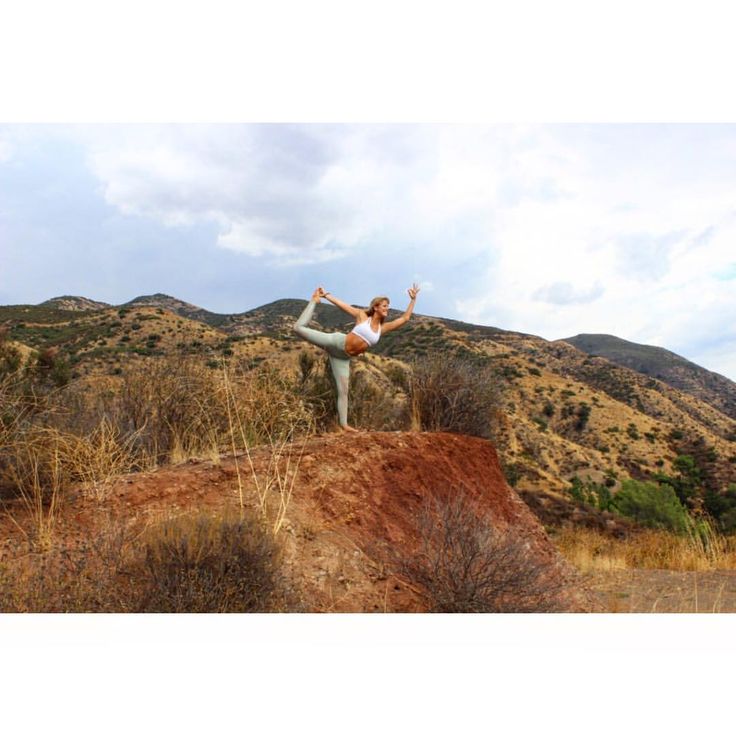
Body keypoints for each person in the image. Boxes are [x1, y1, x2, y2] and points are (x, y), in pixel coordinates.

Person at [294, 283, 420, 431]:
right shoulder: (362, 316)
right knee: (297, 328)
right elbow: (343, 306)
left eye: (388, 306)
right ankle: (314, 301)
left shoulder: (382, 329)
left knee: (343, 391)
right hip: (335, 343)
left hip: (342, 358)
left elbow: (405, 319)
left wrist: (413, 300)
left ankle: (344, 425)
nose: (388, 308)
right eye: (385, 305)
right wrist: (325, 295)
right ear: (376, 307)